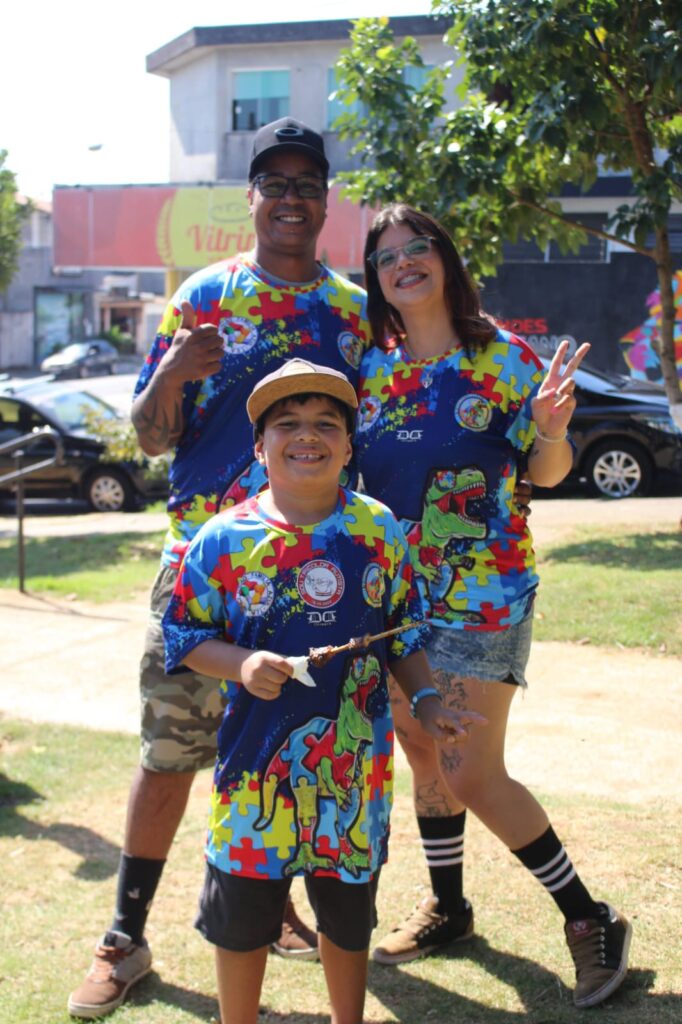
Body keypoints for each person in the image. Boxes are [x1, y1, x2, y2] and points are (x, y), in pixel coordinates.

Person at [67, 119, 371, 1019]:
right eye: (272, 182)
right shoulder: (204, 296)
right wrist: (179, 371)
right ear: (251, 198)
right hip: (207, 569)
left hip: (315, 576)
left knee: (297, 753)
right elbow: (151, 436)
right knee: (172, 754)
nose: (289, 197)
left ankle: (274, 909)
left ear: (324, 200)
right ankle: (125, 939)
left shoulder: (353, 313)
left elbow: (374, 435)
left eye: (306, 182)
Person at [354, 203, 632, 1010]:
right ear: (374, 278)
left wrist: (549, 429)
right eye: (386, 256)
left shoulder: (502, 357)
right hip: (400, 604)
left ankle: (590, 917)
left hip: (483, 597)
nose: (403, 263)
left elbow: (546, 472)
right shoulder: (376, 369)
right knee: (417, 743)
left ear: (444, 258)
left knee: (470, 769)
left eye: (418, 248)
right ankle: (450, 905)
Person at [160, 358, 485, 1024]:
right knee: (243, 921)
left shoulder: (378, 531)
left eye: (324, 424)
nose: (306, 435)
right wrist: (244, 663)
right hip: (252, 782)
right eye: (287, 424)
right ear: (259, 446)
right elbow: (185, 636)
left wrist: (426, 702)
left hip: (353, 782)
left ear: (347, 444)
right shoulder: (220, 541)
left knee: (348, 916)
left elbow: (403, 634)